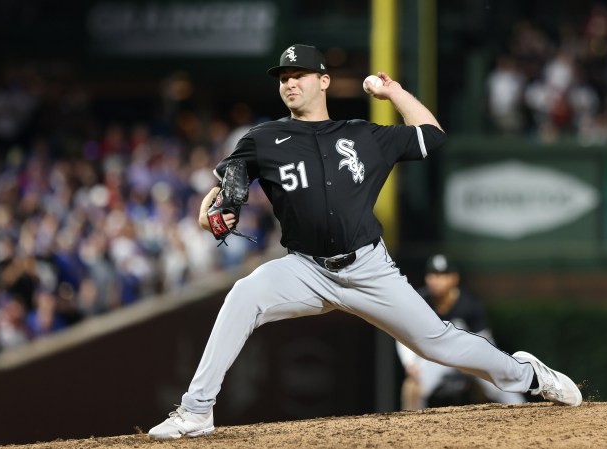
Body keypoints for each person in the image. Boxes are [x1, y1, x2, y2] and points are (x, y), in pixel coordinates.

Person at [148, 44, 582, 440]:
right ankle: (196, 410)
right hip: (304, 269)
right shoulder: (262, 140)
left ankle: (530, 375)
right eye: (283, 77)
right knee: (243, 296)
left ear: (324, 81)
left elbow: (432, 135)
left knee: (439, 342)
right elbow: (221, 194)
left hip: (368, 267)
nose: (290, 83)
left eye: (299, 74)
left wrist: (393, 92)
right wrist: (211, 215)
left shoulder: (362, 135)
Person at [396, 254, 527, 410]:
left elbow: (485, 340)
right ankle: (412, 430)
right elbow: (403, 332)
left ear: (454, 278)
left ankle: (523, 412)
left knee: (500, 381)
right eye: (432, 275)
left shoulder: (469, 303)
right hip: (437, 357)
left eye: (442, 275)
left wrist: (493, 364)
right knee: (414, 387)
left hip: (470, 356)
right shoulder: (419, 300)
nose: (435, 280)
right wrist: (410, 363)